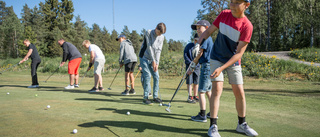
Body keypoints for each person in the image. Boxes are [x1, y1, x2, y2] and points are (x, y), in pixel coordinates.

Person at [196, 0, 259, 136]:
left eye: (237, 2)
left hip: (233, 60)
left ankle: (241, 124)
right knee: (217, 89)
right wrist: (198, 44)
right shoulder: (224, 14)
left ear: (246, 5)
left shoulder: (247, 26)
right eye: (231, 2)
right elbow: (208, 32)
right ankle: (213, 126)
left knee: (239, 92)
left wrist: (222, 68)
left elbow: (239, 54)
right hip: (216, 57)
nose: (232, 5)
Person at [187, 20, 213, 122]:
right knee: (208, 91)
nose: (197, 30)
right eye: (196, 28)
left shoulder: (205, 38)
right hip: (210, 66)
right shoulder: (208, 38)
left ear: (206, 28)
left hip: (206, 66)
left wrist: (192, 66)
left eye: (199, 28)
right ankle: (212, 112)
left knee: (201, 92)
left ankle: (202, 115)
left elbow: (200, 54)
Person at [139, 22, 166, 105]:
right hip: (144, 57)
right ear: (156, 28)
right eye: (158, 32)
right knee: (147, 76)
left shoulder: (161, 37)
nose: (159, 35)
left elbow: (158, 50)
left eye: (161, 34)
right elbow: (149, 46)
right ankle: (146, 97)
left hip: (153, 59)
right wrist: (154, 61)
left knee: (156, 76)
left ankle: (155, 96)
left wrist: (157, 63)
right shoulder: (148, 32)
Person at [183, 33, 200, 103]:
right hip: (189, 66)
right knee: (189, 81)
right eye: (196, 40)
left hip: (197, 66)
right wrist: (190, 63)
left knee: (196, 82)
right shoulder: (189, 46)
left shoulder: (200, 47)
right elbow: (185, 55)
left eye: (198, 40)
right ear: (194, 39)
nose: (197, 42)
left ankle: (195, 96)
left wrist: (196, 64)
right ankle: (190, 96)